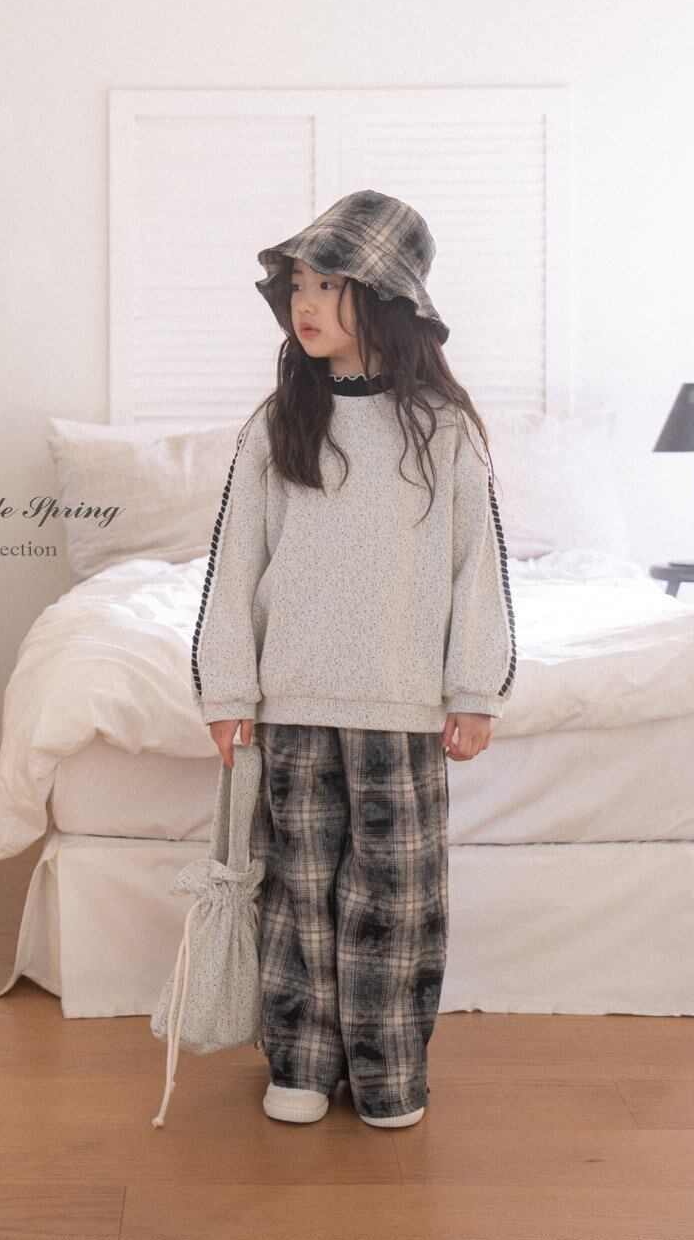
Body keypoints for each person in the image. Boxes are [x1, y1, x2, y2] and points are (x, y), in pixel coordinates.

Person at [190, 190, 516, 1128]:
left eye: (329, 284)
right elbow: (234, 565)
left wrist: (474, 688)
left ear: (384, 298)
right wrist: (227, 689)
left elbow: (476, 567)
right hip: (291, 703)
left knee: (396, 900)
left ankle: (387, 1073)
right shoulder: (277, 424)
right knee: (296, 892)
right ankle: (298, 1063)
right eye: (299, 284)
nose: (307, 302)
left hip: (401, 706)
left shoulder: (443, 428)